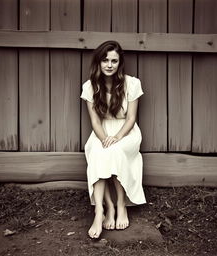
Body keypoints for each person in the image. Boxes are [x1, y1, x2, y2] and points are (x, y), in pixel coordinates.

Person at [80, 40, 146, 239]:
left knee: (116, 151)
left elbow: (132, 117)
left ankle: (120, 205)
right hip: (102, 131)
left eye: (114, 61)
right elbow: (95, 121)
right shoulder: (90, 86)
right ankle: (102, 209)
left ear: (120, 63)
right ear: (98, 62)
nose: (109, 65)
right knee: (99, 151)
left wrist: (117, 137)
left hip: (127, 131)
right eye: (105, 60)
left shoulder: (132, 84)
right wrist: (104, 139)